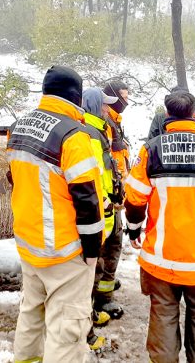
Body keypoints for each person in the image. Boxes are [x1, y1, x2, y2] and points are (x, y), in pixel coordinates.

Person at [124, 90, 195, 363]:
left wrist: (134, 229)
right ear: (194, 114)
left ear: (167, 114)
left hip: (161, 259)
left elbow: (135, 197)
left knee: (163, 315)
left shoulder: (151, 150)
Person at [7, 65, 104, 362]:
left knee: (31, 313)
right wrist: (92, 250)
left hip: (29, 241)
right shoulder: (73, 135)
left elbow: (14, 177)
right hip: (63, 250)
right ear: (76, 96)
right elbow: (87, 199)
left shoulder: (18, 126)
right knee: (67, 328)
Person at [81, 87, 122, 350]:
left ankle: (91, 313)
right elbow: (93, 174)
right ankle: (87, 329)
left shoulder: (100, 129)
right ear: (94, 105)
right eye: (104, 105)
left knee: (99, 265)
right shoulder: (90, 133)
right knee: (90, 270)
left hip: (107, 207)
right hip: (100, 210)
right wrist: (107, 201)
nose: (108, 109)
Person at [95, 80, 131, 319]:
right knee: (110, 246)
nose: (126, 102)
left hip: (115, 193)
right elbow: (107, 163)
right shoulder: (104, 125)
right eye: (123, 97)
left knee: (112, 245)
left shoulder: (115, 123)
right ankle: (103, 297)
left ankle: (105, 286)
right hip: (108, 196)